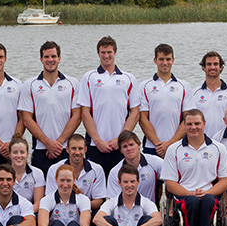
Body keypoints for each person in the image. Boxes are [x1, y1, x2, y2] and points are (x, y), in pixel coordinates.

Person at [161, 109, 227, 226]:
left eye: (197, 123)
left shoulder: (218, 148)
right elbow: (171, 183)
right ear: (184, 126)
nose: (193, 127)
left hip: (209, 194)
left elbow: (224, 181)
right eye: (189, 124)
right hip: (184, 195)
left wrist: (206, 192)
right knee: (192, 202)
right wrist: (190, 193)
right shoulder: (174, 149)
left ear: (204, 124)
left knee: (206, 200)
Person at [78, 36, 140, 174]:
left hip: (121, 146)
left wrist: (120, 139)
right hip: (96, 145)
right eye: (103, 52)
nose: (106, 56)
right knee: (98, 188)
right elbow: (85, 112)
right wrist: (97, 140)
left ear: (115, 52)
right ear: (98, 53)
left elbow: (135, 112)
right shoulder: (89, 77)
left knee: (122, 186)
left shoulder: (128, 78)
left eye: (109, 52)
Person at [18, 41, 81, 175]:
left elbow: (77, 116)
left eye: (53, 56)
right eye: (46, 57)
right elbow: (26, 118)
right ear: (41, 59)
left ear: (59, 58)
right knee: (41, 192)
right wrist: (47, 142)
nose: (50, 60)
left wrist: (59, 143)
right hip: (41, 149)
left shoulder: (72, 83)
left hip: (65, 149)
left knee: (66, 189)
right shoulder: (30, 84)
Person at [139, 43, 193, 157]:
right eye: (161, 59)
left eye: (168, 59)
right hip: (152, 147)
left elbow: (188, 119)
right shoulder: (144, 86)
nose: (165, 63)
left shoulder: (184, 86)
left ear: (173, 60)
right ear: (155, 60)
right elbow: (142, 118)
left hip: (177, 146)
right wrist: (159, 145)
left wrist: (170, 144)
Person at [45, 134, 107, 209]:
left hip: (87, 210)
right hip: (60, 212)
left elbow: (98, 201)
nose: (77, 152)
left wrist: (80, 205)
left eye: (80, 148)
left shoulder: (97, 170)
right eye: (74, 148)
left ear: (85, 149)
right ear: (67, 149)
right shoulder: (54, 169)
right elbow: (50, 200)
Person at [107, 131, 164, 205]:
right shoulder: (115, 172)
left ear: (139, 145)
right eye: (125, 146)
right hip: (125, 213)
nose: (129, 148)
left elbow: (172, 179)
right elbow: (113, 201)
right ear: (121, 150)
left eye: (131, 144)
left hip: (150, 212)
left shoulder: (155, 162)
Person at [192, 51, 227, 137]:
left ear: (221, 67)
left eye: (215, 64)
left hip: (225, 141)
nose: (212, 67)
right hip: (202, 142)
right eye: (209, 64)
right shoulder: (194, 93)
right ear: (203, 67)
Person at [9, 135, 46, 211]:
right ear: (9, 155)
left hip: (29, 212)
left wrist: (25, 214)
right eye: (15, 152)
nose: (19, 156)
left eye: (22, 152)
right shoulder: (3, 173)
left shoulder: (37, 173)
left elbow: (38, 203)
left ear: (27, 154)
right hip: (8, 213)